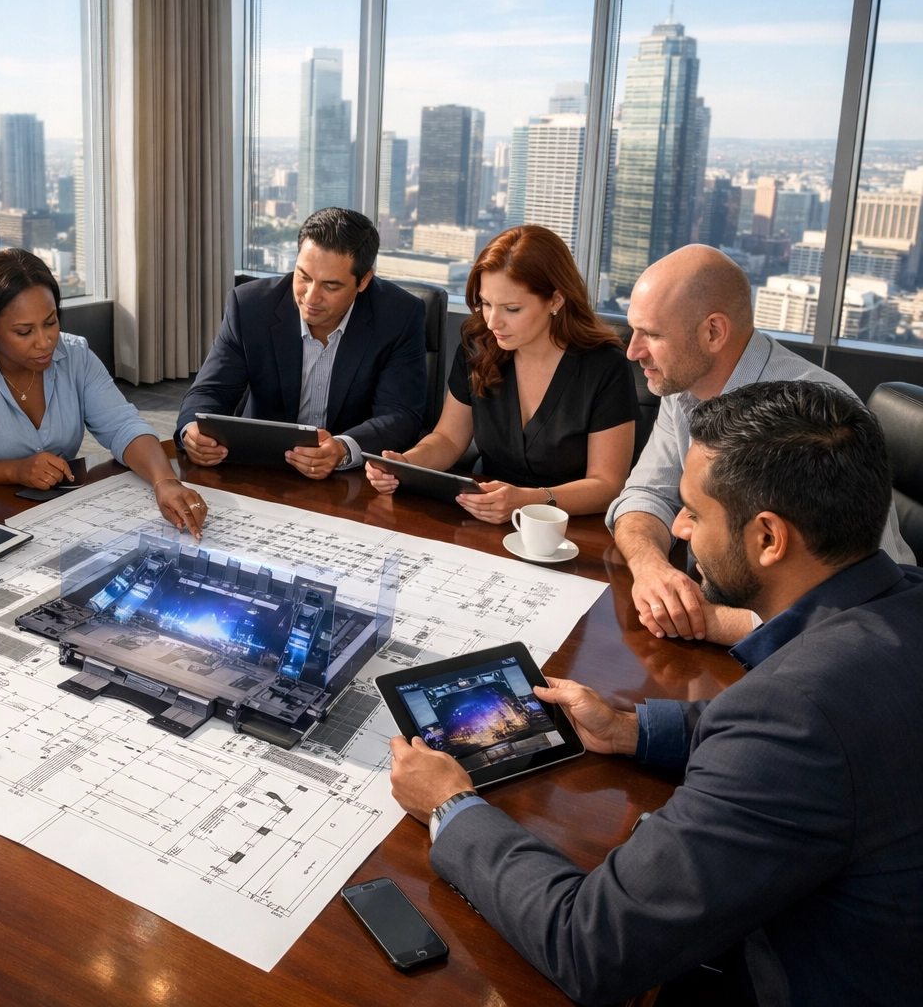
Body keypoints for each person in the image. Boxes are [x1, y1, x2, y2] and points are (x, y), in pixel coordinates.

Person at [388, 380, 923, 1006]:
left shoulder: (795, 714)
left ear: (768, 538)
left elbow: (591, 945)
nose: (679, 527)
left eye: (693, 511)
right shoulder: (902, 602)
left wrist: (451, 806)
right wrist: (629, 728)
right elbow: (813, 744)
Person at [607, 244, 914, 644]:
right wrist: (651, 568)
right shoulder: (683, 384)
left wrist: (704, 620)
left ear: (713, 332)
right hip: (726, 600)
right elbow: (647, 493)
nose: (633, 351)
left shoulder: (812, 421)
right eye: (634, 330)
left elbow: (860, 602)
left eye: (652, 334)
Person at [0, 249, 208, 537]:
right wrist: (14, 470)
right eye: (24, 332)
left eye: (50, 322)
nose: (45, 342)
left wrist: (164, 480)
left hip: (61, 518)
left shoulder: (74, 355)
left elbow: (123, 425)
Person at [366, 225, 637, 521]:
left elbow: (607, 484)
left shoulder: (605, 366)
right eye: (486, 303)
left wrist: (527, 501)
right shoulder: (478, 345)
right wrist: (405, 464)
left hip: (568, 527)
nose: (493, 322)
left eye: (512, 309)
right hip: (484, 516)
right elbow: (448, 438)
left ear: (555, 300)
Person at [175, 207, 427, 480]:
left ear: (364, 280)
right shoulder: (250, 307)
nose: (311, 297)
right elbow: (211, 390)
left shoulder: (399, 316)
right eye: (304, 276)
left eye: (331, 286)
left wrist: (343, 448)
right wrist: (192, 432)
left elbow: (400, 414)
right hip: (262, 469)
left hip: (351, 478)